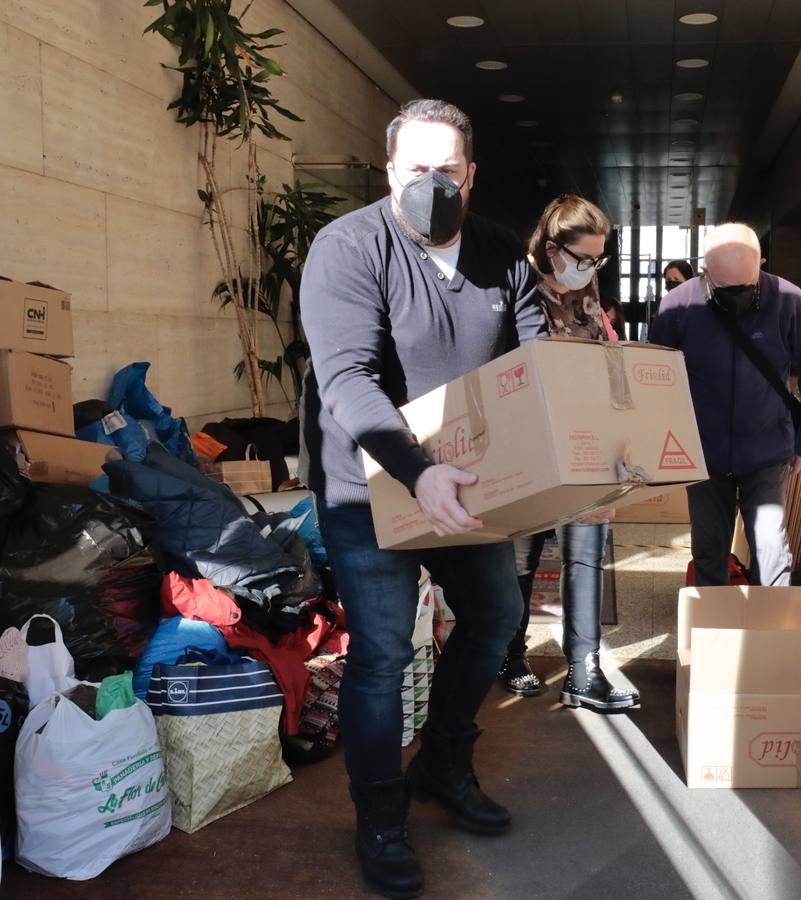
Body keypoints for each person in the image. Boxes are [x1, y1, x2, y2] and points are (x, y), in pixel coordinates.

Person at [299, 99, 545, 899]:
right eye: (415, 170)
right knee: (381, 655)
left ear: (469, 174)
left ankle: (441, 764)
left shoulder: (502, 250)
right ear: (389, 171)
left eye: (447, 171)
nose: (431, 185)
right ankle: (379, 816)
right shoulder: (348, 249)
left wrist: (580, 459)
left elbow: (534, 359)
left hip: (469, 479)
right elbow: (347, 380)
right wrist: (417, 469)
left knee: (495, 621)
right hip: (369, 487)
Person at [497, 195, 642, 712]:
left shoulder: (588, 290)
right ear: (552, 247)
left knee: (586, 554)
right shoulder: (514, 286)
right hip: (527, 449)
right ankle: (511, 656)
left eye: (598, 260)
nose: (589, 270)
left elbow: (603, 350)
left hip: (585, 446)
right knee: (521, 558)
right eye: (583, 259)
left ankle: (585, 669)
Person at [650, 224, 801, 588]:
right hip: (703, 454)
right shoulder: (678, 306)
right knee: (708, 549)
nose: (737, 296)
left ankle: (771, 635)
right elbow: (654, 381)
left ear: (761, 264)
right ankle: (712, 633)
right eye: (724, 288)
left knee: (770, 551)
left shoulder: (789, 300)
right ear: (705, 272)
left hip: (767, 449)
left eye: (746, 287)